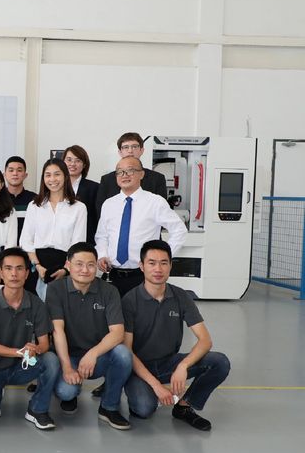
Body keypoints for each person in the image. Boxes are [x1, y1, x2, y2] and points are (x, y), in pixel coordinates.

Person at [123, 240, 230, 431]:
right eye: (152, 263)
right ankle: (148, 393)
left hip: (168, 363)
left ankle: (184, 406)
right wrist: (156, 386)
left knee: (219, 362)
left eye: (164, 263)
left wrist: (183, 366)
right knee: (144, 409)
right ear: (141, 266)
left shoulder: (181, 296)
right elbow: (127, 351)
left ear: (171, 266)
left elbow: (205, 340)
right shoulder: (129, 301)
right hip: (138, 368)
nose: (158, 269)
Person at [0, 248, 60, 430]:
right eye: (8, 268)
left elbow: (44, 344)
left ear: (27, 273)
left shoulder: (37, 304)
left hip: (22, 366)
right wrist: (20, 352)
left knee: (50, 360)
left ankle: (37, 410)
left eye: (19, 268)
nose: (14, 274)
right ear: (1, 273)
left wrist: (35, 349)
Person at [48, 242, 132, 430]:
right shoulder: (55, 289)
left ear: (97, 266)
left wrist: (93, 354)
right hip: (69, 355)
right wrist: (67, 368)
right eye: (79, 264)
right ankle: (69, 391)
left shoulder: (109, 291)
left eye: (91, 265)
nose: (85, 270)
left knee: (123, 354)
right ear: (68, 265)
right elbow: (57, 330)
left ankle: (109, 407)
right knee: (66, 392)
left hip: (97, 356)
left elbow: (118, 332)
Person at [94, 156, 187, 297]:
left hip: (143, 276)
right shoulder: (109, 204)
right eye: (120, 172)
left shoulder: (155, 202)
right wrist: (102, 255)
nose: (124, 175)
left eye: (130, 170)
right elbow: (102, 235)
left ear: (141, 174)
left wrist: (161, 258)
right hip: (113, 275)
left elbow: (179, 230)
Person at [19, 159, 87, 299]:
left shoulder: (79, 208)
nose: (52, 179)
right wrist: (38, 266)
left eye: (57, 174)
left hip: (64, 265)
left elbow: (78, 244)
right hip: (36, 264)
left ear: (65, 176)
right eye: (48, 175)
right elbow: (26, 240)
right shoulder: (34, 206)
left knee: (61, 308)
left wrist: (65, 269)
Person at [95, 132, 167, 217]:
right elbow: (101, 212)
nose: (130, 151)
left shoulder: (157, 178)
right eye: (126, 147)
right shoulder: (107, 180)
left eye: (134, 146)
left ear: (142, 150)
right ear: (120, 152)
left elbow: (162, 211)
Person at [63, 145, 99, 245]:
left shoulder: (95, 188)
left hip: (85, 241)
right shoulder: (55, 187)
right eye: (69, 160)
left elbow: (96, 219)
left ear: (84, 165)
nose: (72, 164)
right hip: (60, 242)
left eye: (78, 160)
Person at [4, 156, 37, 238]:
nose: (15, 173)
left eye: (19, 170)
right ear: (4, 174)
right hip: (3, 245)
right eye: (11, 170)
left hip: (27, 245)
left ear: (25, 175)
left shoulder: (35, 199)